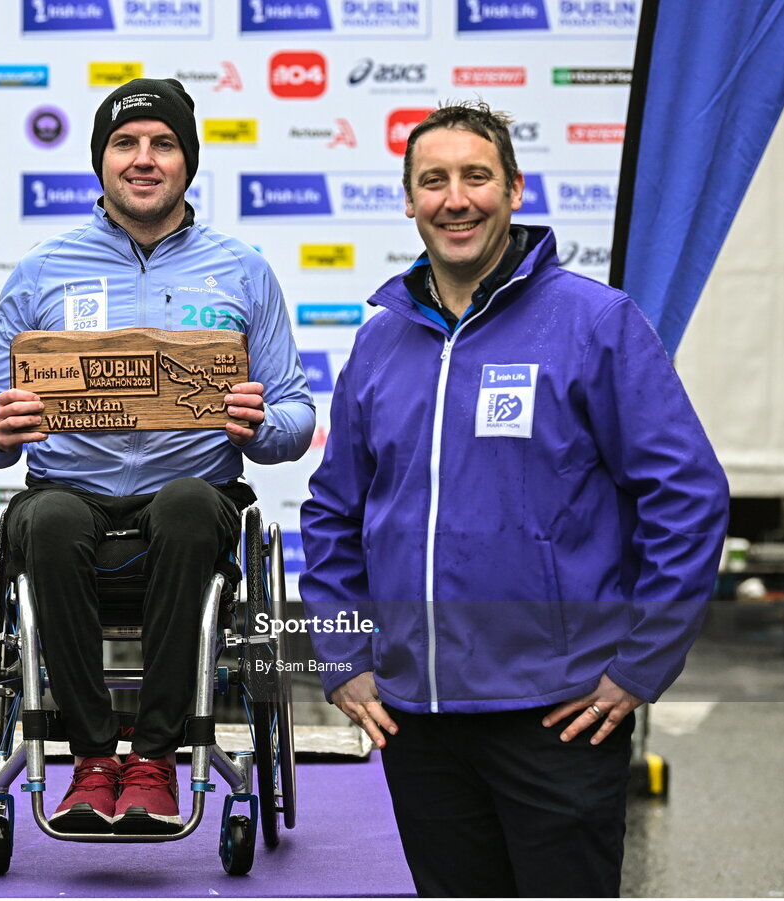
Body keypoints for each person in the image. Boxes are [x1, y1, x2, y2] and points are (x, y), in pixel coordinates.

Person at [299, 101, 728, 897]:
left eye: (476, 177)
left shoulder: (596, 322)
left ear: (515, 189)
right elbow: (333, 513)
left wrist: (640, 664)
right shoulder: (381, 340)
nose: (454, 199)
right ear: (408, 200)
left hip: (557, 709)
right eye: (433, 181)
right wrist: (342, 657)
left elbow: (687, 496)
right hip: (416, 713)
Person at [0, 78, 314, 835]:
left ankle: (155, 758)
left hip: (194, 501)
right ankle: (92, 759)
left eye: (163, 143)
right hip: (69, 495)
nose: (144, 159)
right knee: (49, 516)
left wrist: (260, 426)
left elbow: (295, 415)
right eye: (126, 143)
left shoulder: (243, 271)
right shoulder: (42, 270)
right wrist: (0, 427)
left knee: (188, 504)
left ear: (188, 161)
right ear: (100, 162)